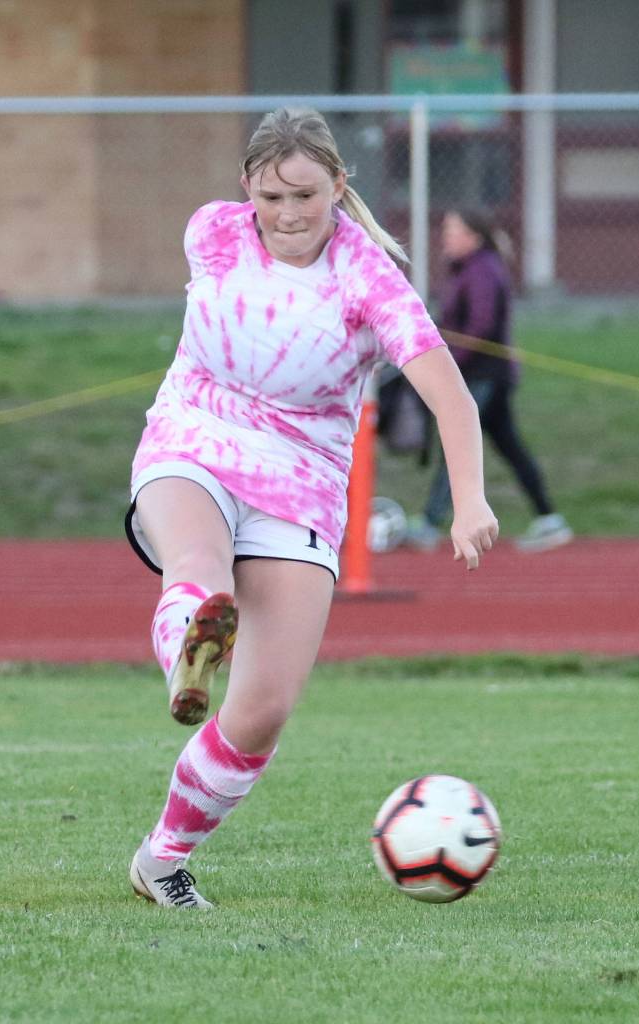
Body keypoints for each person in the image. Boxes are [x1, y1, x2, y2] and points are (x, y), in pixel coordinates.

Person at [124, 108, 499, 909]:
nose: (287, 214)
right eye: (270, 196)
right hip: (193, 435)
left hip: (300, 479)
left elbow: (451, 397)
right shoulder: (212, 233)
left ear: (338, 184)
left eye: (304, 195)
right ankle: (188, 656)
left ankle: (162, 859)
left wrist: (468, 499)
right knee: (197, 566)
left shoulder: (368, 279)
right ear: (245, 190)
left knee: (260, 711)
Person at [407, 208, 573, 553]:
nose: (446, 237)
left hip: (485, 376)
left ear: (474, 236)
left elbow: (481, 327)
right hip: (483, 376)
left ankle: (427, 523)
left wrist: (446, 362)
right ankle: (549, 518)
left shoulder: (482, 270)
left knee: (457, 443)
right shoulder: (468, 269)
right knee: (510, 447)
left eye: (453, 230)